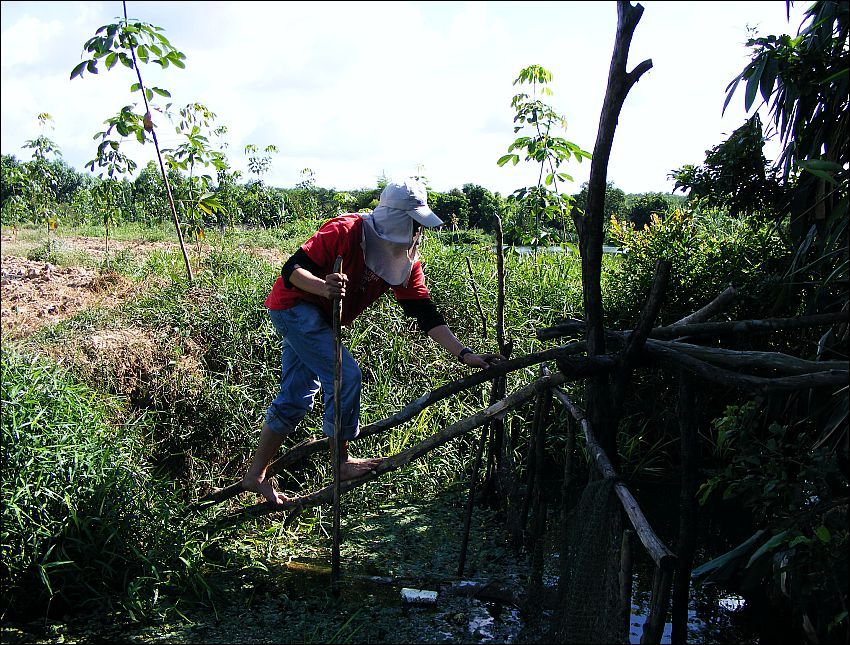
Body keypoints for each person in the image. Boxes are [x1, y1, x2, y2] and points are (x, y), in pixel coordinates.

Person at [241, 178, 503, 506]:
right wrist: (324, 287)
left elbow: (424, 313)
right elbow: (292, 269)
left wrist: (464, 354)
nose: (416, 231)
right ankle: (340, 463)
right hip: (295, 308)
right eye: (412, 223)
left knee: (296, 397)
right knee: (345, 376)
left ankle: (255, 476)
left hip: (321, 320)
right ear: (396, 218)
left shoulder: (405, 261)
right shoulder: (346, 231)